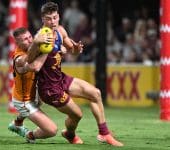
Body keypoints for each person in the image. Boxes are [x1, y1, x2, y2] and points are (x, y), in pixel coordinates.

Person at [28, 2, 124, 146]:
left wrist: (76, 49)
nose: (52, 22)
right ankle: (67, 134)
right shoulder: (40, 37)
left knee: (95, 93)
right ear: (43, 19)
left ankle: (104, 134)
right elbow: (29, 60)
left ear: (59, 16)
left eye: (54, 17)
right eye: (48, 18)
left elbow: (71, 49)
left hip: (60, 78)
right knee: (77, 115)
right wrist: (35, 44)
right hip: (49, 89)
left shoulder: (60, 30)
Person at [7, 27, 58, 143]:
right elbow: (35, 66)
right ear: (17, 43)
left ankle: (17, 123)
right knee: (52, 130)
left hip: (31, 93)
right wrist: (46, 50)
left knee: (40, 101)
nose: (29, 40)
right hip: (24, 101)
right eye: (25, 39)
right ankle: (29, 135)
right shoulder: (18, 58)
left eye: (30, 37)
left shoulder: (33, 48)